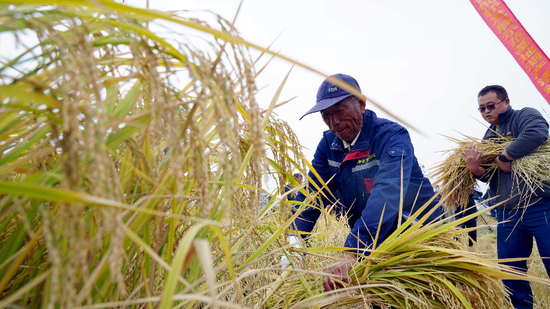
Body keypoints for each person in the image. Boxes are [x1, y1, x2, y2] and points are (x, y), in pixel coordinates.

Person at [287, 73, 441, 291]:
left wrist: (352, 251)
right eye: (326, 115)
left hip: (417, 234)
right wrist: (294, 240)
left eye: (339, 111)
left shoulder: (391, 136)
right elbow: (313, 192)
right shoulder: (329, 145)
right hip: (374, 243)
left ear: (360, 104)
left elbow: (389, 192)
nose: (334, 122)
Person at [463, 85, 550, 309]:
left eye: (491, 106)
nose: (486, 112)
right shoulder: (488, 136)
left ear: (506, 102)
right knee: (511, 271)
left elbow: (538, 132)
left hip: (540, 207)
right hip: (508, 214)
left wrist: (506, 154)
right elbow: (492, 176)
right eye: (481, 108)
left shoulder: (524, 116)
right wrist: (475, 169)